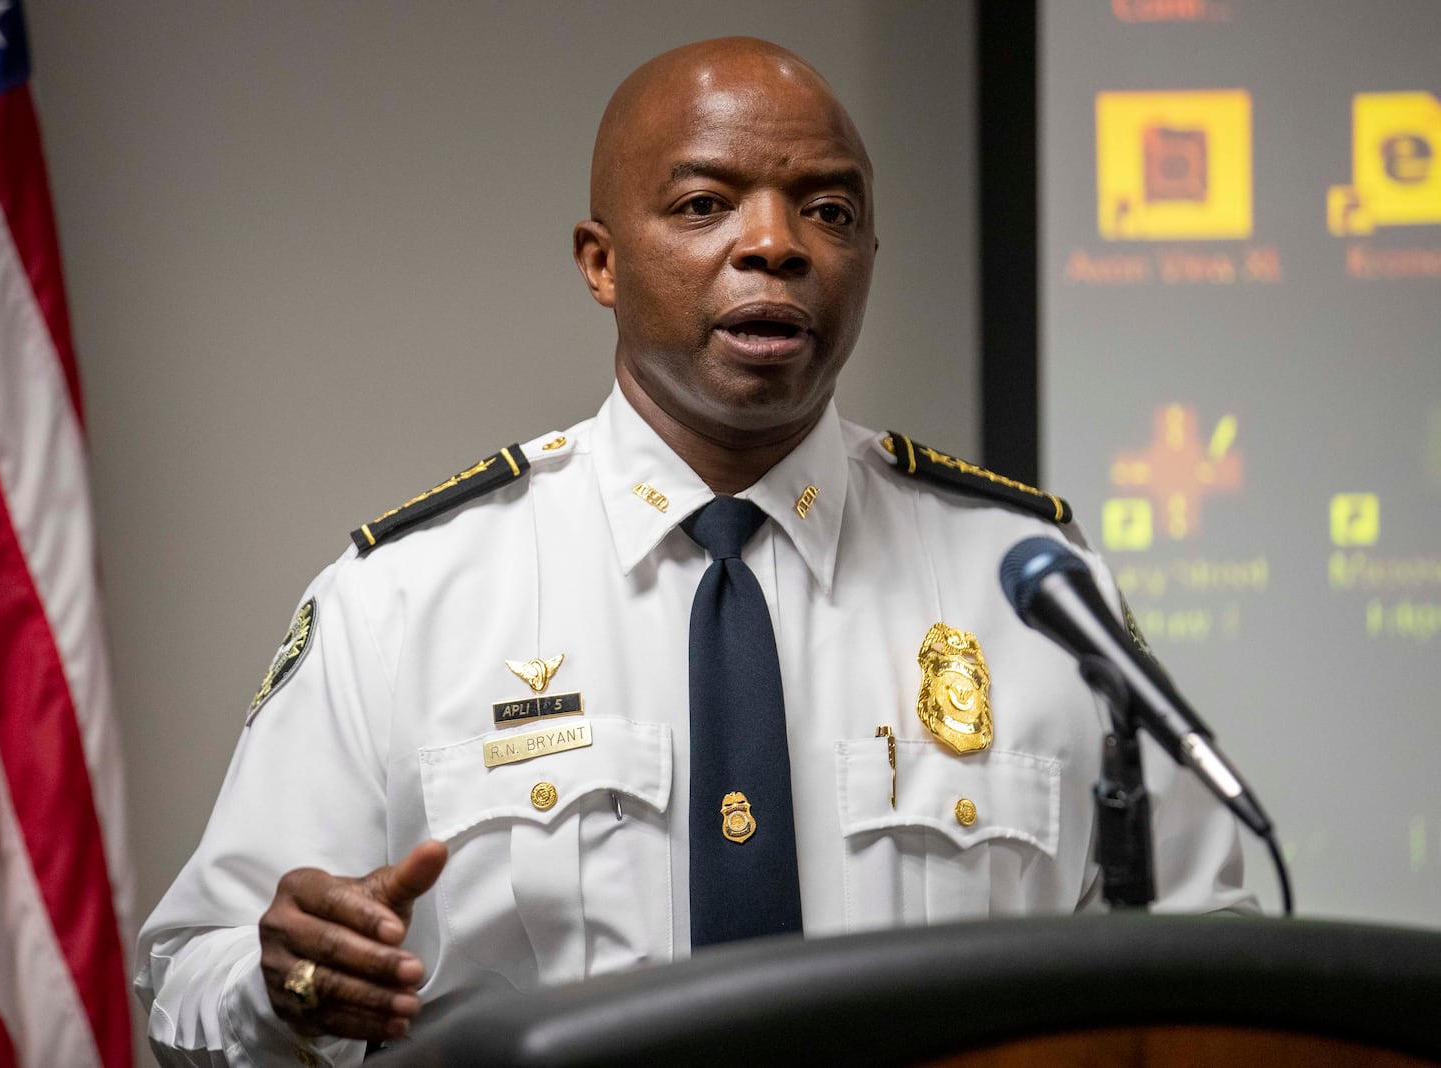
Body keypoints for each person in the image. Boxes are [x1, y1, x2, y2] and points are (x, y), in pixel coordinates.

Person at [136, 36, 1252, 1067]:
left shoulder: (1032, 589)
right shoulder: (409, 598)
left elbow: (1210, 968)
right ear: (600, 261)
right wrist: (284, 983)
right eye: (706, 203)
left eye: (827, 210)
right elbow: (194, 966)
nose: (775, 244)